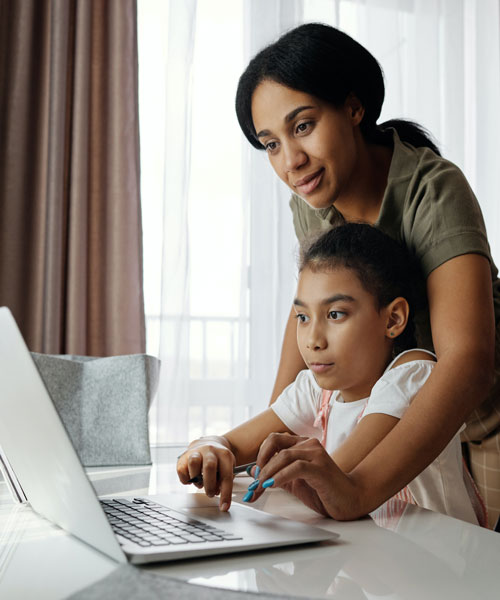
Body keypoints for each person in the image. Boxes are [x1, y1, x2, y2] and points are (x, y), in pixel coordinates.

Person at [232, 22, 500, 527]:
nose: (291, 161)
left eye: (303, 126)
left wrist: (356, 490)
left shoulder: (433, 189)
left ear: (354, 108)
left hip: (482, 418)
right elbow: (306, 325)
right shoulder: (310, 201)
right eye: (270, 143)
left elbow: (468, 363)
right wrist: (276, 446)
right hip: (395, 414)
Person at [177, 223, 486, 526]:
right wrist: (210, 447)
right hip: (372, 559)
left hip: (439, 563)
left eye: (335, 314)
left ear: (393, 318)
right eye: (303, 316)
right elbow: (232, 443)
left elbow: (335, 482)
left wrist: (272, 468)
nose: (313, 340)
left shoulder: (413, 376)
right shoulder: (317, 390)